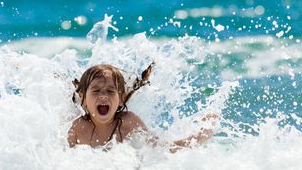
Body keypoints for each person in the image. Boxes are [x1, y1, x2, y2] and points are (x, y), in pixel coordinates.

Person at [67, 64, 218, 151]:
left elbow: (162, 148)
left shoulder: (128, 122)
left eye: (110, 91)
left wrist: (198, 137)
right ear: (84, 99)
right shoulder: (78, 128)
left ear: (120, 99)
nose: (103, 96)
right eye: (96, 91)